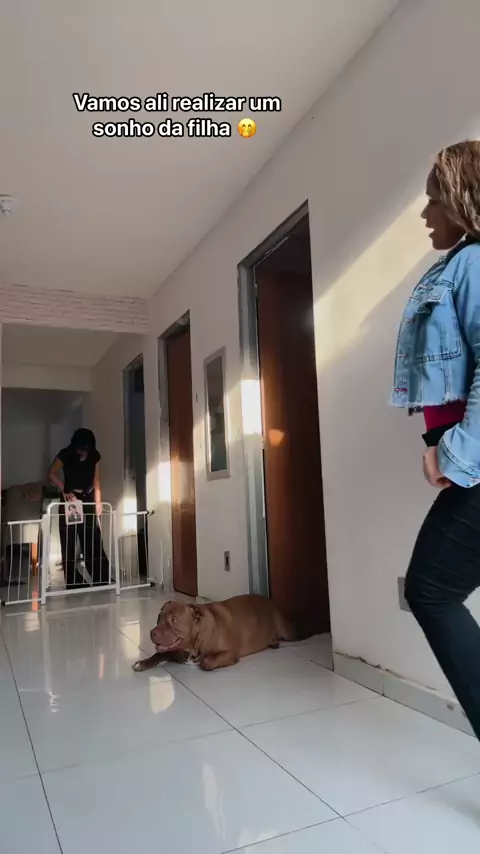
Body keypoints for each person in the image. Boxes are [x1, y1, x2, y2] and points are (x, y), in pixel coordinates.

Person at [391, 140, 480, 739]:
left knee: (430, 589)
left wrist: (453, 452)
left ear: (463, 198)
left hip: (473, 461)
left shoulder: (474, 262)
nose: (425, 213)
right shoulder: (461, 263)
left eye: (433, 199)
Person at [48, 428, 110, 589]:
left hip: (87, 498)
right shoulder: (66, 454)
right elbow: (51, 473)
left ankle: (102, 578)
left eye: (86, 449)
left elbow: (97, 481)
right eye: (80, 449)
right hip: (70, 500)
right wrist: (64, 489)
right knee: (69, 540)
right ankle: (73, 581)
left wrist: (98, 503)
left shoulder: (94, 456)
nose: (83, 452)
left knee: (92, 538)